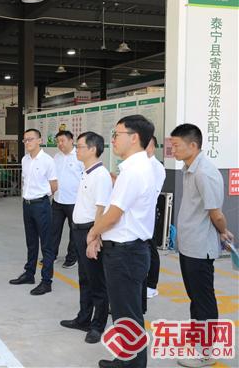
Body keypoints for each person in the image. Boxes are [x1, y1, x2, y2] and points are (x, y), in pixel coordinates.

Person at [86, 115, 156, 368]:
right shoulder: (136, 167)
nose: (113, 139)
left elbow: (113, 215)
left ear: (134, 137)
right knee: (126, 312)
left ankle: (132, 364)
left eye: (117, 134)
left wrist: (93, 233)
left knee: (127, 313)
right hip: (128, 251)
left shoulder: (134, 171)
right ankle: (127, 359)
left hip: (126, 254)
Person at [170, 124, 234, 368]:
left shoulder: (204, 173)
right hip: (189, 245)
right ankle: (198, 342)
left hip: (199, 247)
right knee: (195, 298)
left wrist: (223, 231)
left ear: (193, 145)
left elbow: (216, 213)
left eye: (176, 145)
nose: (173, 150)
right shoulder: (189, 169)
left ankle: (206, 353)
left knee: (203, 300)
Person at [60, 131, 111, 344]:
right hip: (79, 230)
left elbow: (101, 209)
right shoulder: (86, 172)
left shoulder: (101, 175)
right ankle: (83, 318)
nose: (77, 150)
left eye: (80, 146)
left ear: (92, 149)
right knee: (84, 278)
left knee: (97, 281)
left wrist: (95, 237)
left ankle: (97, 326)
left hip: (91, 231)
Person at [9, 129, 58, 296]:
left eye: (30, 139)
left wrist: (42, 197)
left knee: (46, 245)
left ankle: (46, 281)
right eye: (25, 140)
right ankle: (29, 274)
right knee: (31, 242)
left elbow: (54, 185)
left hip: (41, 205)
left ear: (39, 140)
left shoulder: (48, 161)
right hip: (27, 204)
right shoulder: (25, 160)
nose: (27, 142)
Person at [51, 130, 84, 269]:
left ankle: (72, 258)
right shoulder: (56, 157)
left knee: (74, 232)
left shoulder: (79, 157)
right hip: (57, 200)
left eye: (62, 141)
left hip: (74, 201)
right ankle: (51, 255)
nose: (60, 144)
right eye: (58, 141)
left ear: (71, 141)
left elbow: (86, 178)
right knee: (53, 230)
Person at [145, 136, 166, 301]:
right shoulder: (138, 165)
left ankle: (151, 285)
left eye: (147, 145)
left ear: (153, 147)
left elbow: (153, 193)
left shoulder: (157, 167)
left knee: (151, 248)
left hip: (149, 214)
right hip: (138, 216)